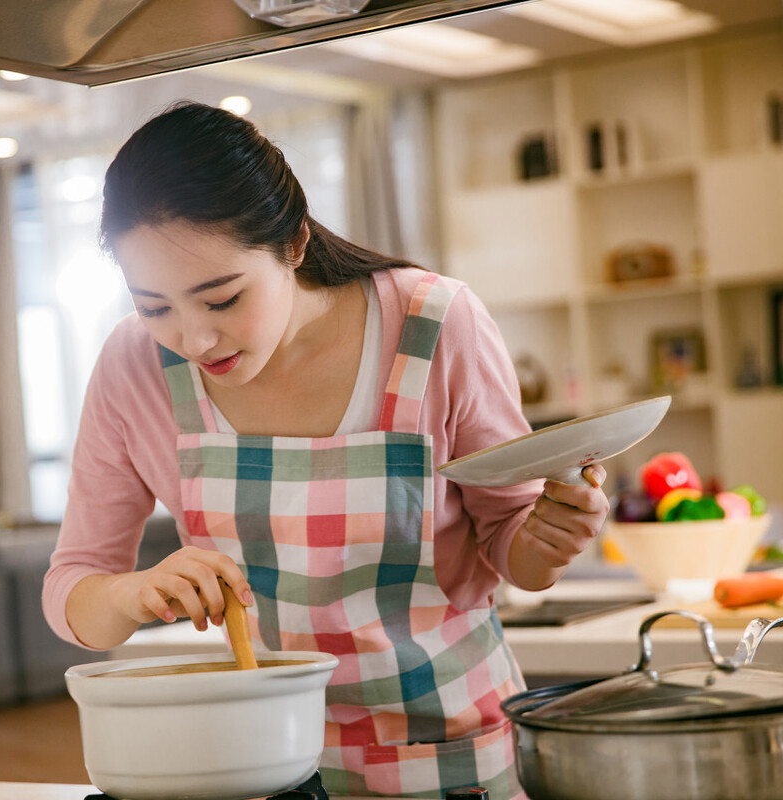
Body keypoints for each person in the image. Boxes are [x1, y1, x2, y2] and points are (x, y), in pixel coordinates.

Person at [42, 101, 609, 799]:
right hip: (269, 766)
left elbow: (510, 545)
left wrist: (549, 536)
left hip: (455, 756)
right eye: (154, 307)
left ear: (294, 244)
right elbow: (73, 593)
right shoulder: (133, 369)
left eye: (221, 299)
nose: (193, 340)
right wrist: (130, 593)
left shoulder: (433, 325)